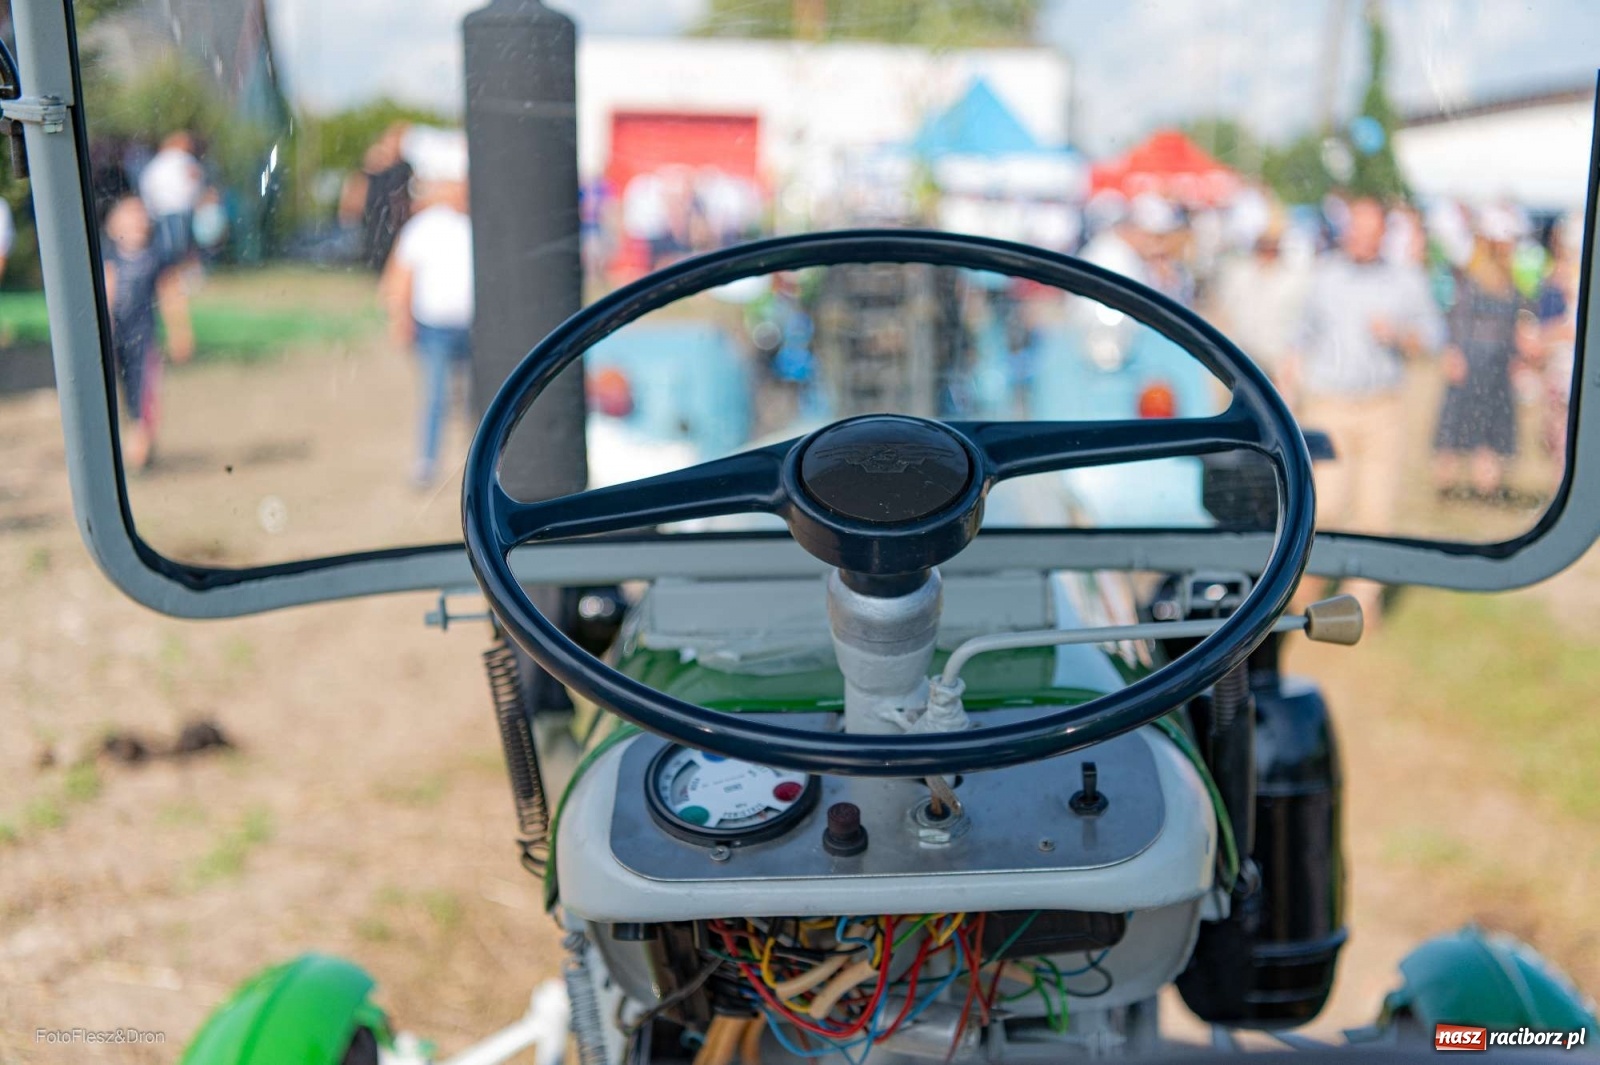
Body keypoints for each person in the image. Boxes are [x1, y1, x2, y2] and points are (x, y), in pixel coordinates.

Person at [1288, 196, 1444, 623]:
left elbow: (1432, 338)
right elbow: (1301, 334)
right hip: (1330, 406)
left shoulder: (1405, 280)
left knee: (1375, 513)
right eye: (1355, 229)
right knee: (1327, 505)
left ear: (1382, 234)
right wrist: (1289, 378)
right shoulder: (1325, 277)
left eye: (1370, 231)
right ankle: (1305, 592)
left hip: (1382, 408)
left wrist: (1400, 335)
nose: (1360, 238)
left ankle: (1359, 607)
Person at [380, 129, 472, 488]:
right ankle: (427, 461)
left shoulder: (472, 227)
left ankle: (474, 463)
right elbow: (400, 278)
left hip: (472, 327)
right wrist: (400, 318)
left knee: (475, 401)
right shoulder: (423, 228)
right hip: (433, 329)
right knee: (436, 396)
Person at [1432, 205, 1538, 502]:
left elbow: (1515, 321)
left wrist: (1518, 358)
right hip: (1472, 359)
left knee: (1491, 427)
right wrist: (1453, 351)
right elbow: (1458, 317)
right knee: (1455, 424)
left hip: (1498, 363)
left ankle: (1485, 488)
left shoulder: (1511, 282)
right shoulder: (1471, 278)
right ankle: (1446, 485)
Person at [102, 195, 193, 472]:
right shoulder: (109, 256)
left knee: (144, 396)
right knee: (117, 395)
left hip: (146, 341)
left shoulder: (157, 256)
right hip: (116, 340)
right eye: (128, 216)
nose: (136, 222)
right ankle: (128, 445)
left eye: (140, 215)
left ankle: (141, 447)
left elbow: (170, 295)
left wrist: (180, 331)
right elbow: (107, 293)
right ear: (113, 223)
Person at [1210, 210, 1309, 384]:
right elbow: (1223, 313)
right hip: (1241, 356)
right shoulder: (1238, 274)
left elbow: (1301, 324)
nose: (1267, 250)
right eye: (1264, 243)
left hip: (1277, 360)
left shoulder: (1293, 279)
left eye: (1272, 244)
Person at [138, 131, 204, 263]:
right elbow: (196, 178)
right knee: (180, 246)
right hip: (180, 208)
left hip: (162, 210)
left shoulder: (157, 162)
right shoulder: (182, 158)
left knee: (169, 245)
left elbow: (146, 184)